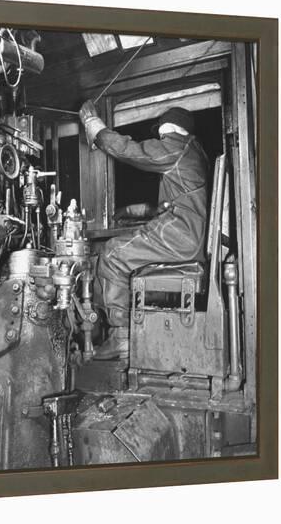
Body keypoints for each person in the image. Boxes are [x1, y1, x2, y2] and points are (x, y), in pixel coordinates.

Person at [79, 101, 209, 360]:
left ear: (173, 128)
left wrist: (94, 126)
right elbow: (163, 206)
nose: (160, 135)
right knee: (121, 251)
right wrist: (127, 211)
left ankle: (122, 338)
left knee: (112, 254)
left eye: (163, 130)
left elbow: (131, 151)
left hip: (181, 234)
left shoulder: (178, 147)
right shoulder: (193, 154)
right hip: (188, 234)